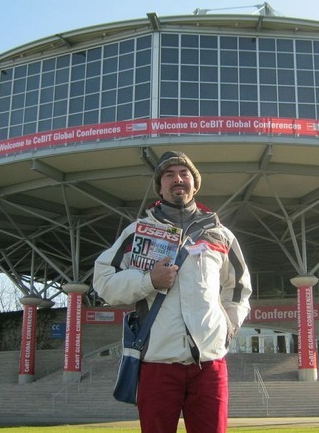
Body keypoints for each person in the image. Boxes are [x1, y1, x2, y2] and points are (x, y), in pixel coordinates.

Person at [93, 150, 252, 433]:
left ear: (195, 183)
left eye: (184, 173)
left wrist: (229, 325)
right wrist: (148, 282)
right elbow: (103, 281)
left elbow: (239, 288)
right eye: (169, 175)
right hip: (157, 364)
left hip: (209, 364)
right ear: (160, 186)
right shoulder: (137, 232)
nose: (177, 179)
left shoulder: (220, 234)